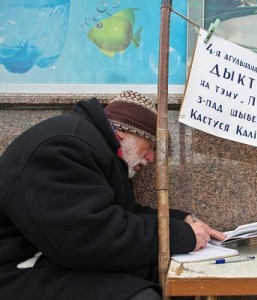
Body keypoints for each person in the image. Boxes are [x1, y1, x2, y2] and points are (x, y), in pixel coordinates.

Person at [0, 90, 226, 299]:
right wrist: (179, 235)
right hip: (18, 270)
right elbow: (90, 236)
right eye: (149, 146)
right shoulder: (64, 146)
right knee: (140, 296)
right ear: (122, 132)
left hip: (51, 259)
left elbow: (121, 214)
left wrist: (179, 220)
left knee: (157, 273)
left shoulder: (94, 147)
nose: (150, 158)